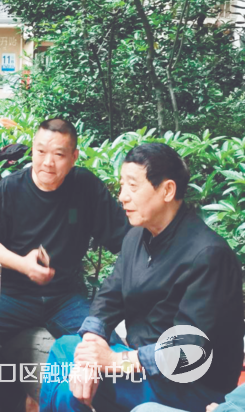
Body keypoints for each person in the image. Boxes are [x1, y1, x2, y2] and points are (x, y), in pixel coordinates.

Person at [40, 143, 244, 412]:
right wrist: (92, 347)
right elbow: (108, 298)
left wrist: (114, 361)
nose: (122, 197)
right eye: (121, 185)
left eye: (133, 186)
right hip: (140, 366)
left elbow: (187, 353)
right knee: (68, 351)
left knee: (69, 371)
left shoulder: (208, 255)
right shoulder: (136, 236)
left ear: (167, 190)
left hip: (191, 387)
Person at [0, 118, 130, 411]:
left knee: (108, 344)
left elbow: (123, 239)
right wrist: (23, 264)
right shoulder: (10, 188)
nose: (47, 162)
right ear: (32, 150)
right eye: (40, 151)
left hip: (66, 297)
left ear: (73, 157)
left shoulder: (85, 186)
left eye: (59, 154)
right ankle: (10, 404)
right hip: (14, 295)